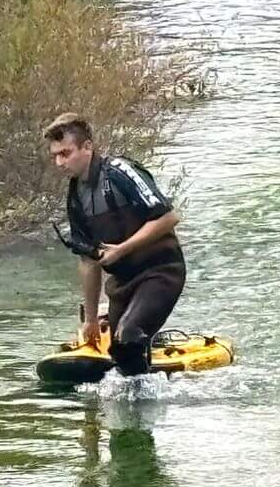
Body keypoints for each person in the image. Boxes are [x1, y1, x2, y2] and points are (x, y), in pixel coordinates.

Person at [44, 112, 185, 378]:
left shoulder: (120, 172)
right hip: (122, 284)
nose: (59, 162)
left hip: (161, 272)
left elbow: (169, 217)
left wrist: (123, 249)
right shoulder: (76, 196)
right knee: (120, 354)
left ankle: (147, 403)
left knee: (128, 337)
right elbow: (88, 260)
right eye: (55, 156)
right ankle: (137, 408)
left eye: (65, 153)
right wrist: (91, 320)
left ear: (88, 147)